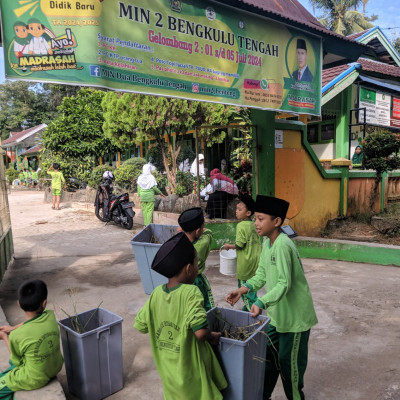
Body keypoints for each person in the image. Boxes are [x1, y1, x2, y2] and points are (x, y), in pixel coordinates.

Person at [225, 195, 318, 400]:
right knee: (268, 358)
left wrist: (261, 302)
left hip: (295, 320)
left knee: (288, 365)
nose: (256, 224)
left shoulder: (283, 245)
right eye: (255, 218)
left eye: (260, 219)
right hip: (277, 317)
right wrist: (243, 290)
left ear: (276, 222)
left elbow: (284, 283)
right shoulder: (267, 244)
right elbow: (261, 275)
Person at [134, 232, 227, 399]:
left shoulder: (156, 294)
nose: (198, 268)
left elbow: (141, 325)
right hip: (192, 377)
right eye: (197, 263)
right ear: (188, 268)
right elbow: (200, 332)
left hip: (169, 376)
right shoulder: (191, 292)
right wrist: (212, 336)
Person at [0, 280, 64, 399]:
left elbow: (16, 361)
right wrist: (13, 328)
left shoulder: (17, 336)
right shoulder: (50, 315)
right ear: (44, 303)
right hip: (55, 367)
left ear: (19, 304)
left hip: (35, 378)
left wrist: (5, 337)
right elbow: (32, 322)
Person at [221, 195, 261, 311]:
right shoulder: (255, 224)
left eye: (239, 209)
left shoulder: (241, 226)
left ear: (248, 213)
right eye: (236, 209)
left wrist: (228, 246)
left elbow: (239, 245)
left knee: (243, 286)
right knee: (253, 285)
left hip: (246, 264)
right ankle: (252, 303)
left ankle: (251, 309)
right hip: (256, 261)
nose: (236, 211)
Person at [178, 207, 215, 311]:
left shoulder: (179, 244)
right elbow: (209, 232)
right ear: (198, 230)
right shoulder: (203, 243)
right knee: (206, 306)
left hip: (182, 282)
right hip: (197, 280)